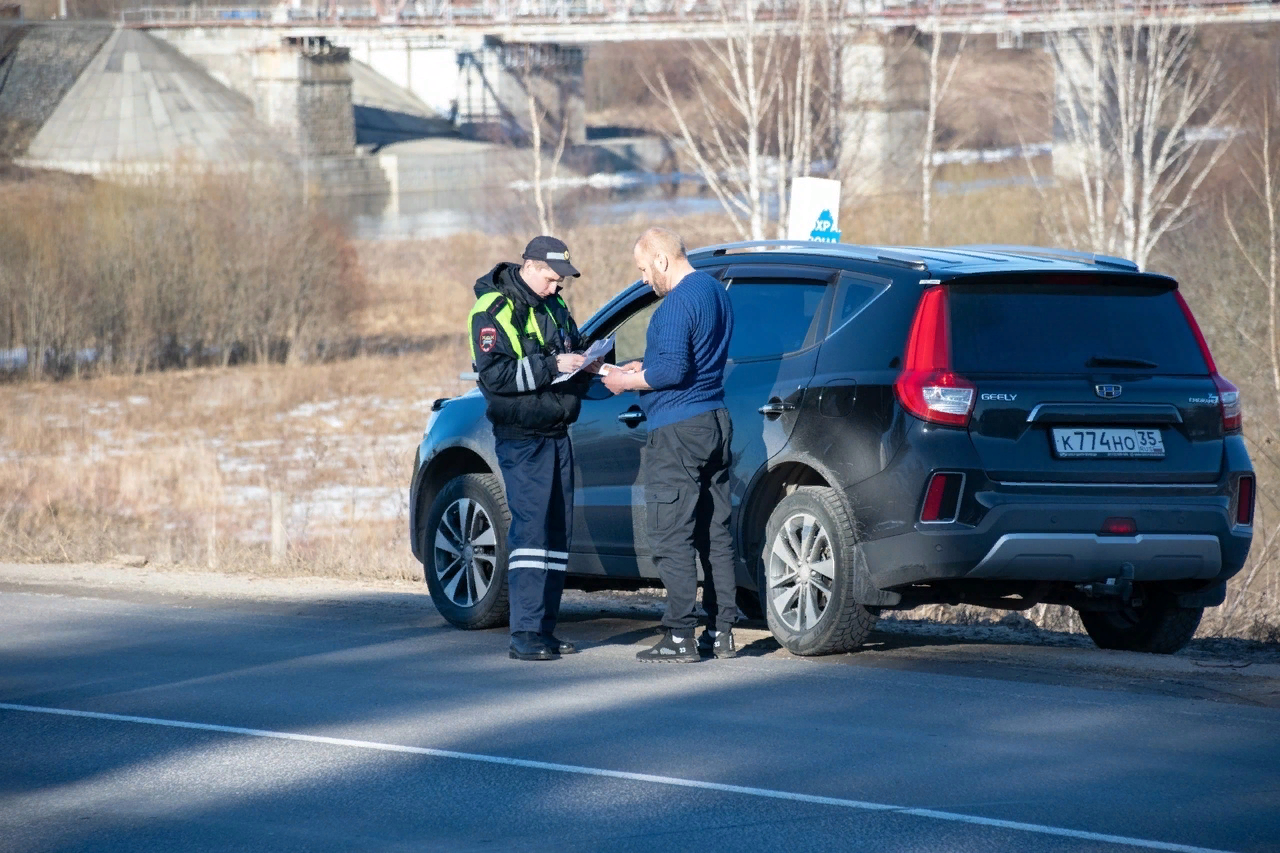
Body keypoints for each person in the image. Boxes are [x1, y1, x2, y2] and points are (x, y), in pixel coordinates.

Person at [602, 227, 737, 662]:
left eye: (644, 269)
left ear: (662, 260)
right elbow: (691, 360)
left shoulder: (675, 303)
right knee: (713, 532)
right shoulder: (715, 291)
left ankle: (679, 635)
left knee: (669, 532)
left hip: (679, 428)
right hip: (715, 420)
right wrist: (649, 366)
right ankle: (721, 633)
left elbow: (675, 371)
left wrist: (626, 380)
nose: (644, 280)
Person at [469, 235, 588, 661]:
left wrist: (596, 363)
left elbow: (572, 346)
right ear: (532, 266)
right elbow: (496, 377)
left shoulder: (554, 304)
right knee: (531, 534)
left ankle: (545, 628)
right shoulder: (493, 310)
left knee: (556, 534)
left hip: (556, 430)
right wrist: (553, 365)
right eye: (553, 279)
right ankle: (524, 633)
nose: (558, 288)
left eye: (562, 282)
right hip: (522, 437)